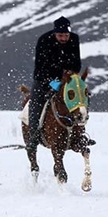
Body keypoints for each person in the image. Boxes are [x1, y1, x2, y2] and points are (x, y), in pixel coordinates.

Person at [25, 16, 82, 153]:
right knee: (36, 104)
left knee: (80, 99)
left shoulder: (74, 39)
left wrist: (68, 76)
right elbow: (40, 67)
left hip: (66, 79)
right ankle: (33, 136)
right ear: (54, 33)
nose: (63, 38)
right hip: (44, 79)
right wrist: (52, 83)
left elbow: (76, 64)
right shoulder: (44, 40)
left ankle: (80, 134)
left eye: (66, 35)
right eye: (60, 35)